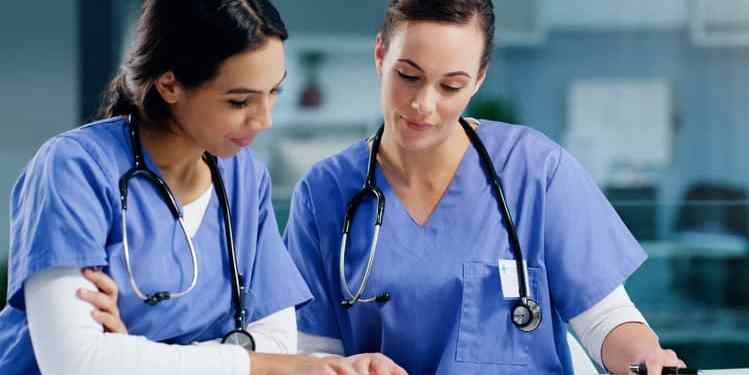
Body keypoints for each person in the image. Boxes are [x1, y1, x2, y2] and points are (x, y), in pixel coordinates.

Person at [280, 0, 688, 374]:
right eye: (408, 76)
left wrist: (646, 359)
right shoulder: (324, 193)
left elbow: (604, 316)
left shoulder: (534, 170)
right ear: (381, 55)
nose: (424, 104)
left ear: (478, 78)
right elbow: (312, 350)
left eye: (450, 86)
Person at [0, 1, 405, 374]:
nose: (263, 121)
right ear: (170, 84)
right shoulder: (74, 170)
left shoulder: (243, 178)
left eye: (274, 92)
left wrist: (133, 351)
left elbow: (279, 344)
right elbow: (75, 363)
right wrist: (253, 363)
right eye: (239, 101)